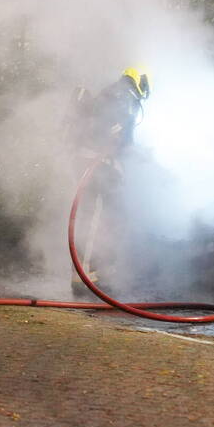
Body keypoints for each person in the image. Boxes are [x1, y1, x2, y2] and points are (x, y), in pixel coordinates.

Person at [68, 66, 150, 294]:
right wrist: (114, 160)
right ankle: (89, 276)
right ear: (140, 81)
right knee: (102, 217)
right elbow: (117, 138)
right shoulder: (125, 98)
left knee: (97, 214)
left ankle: (88, 273)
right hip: (96, 163)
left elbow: (116, 138)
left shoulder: (112, 93)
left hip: (88, 160)